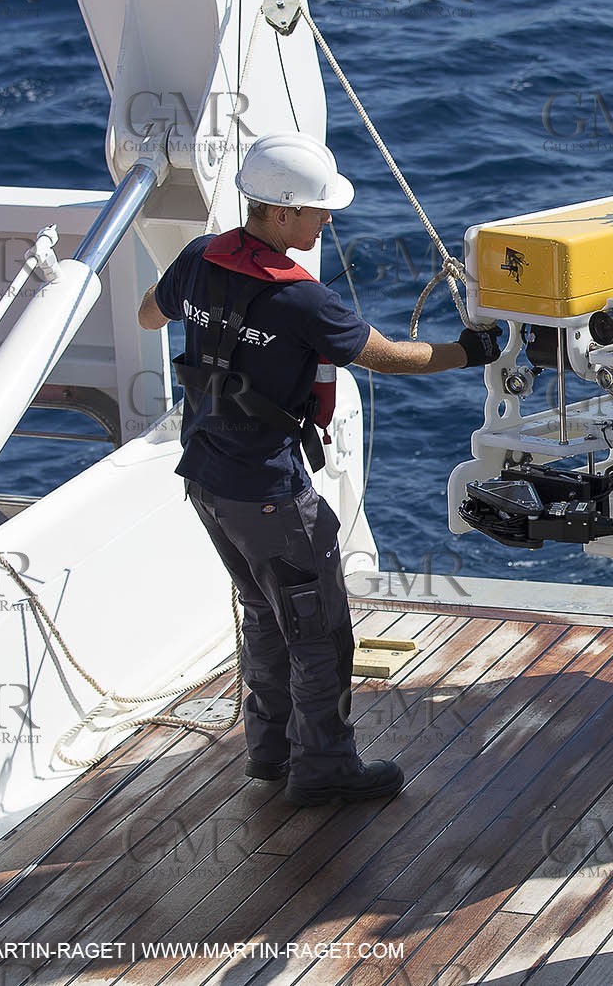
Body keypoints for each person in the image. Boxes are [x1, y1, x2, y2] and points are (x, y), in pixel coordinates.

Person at [136, 132, 501, 807]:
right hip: (269, 493)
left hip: (207, 479)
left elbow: (147, 312)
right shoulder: (302, 300)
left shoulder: (196, 259)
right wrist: (469, 351)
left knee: (266, 617)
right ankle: (325, 766)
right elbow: (387, 357)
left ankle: (269, 753)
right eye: (315, 210)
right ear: (279, 213)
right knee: (319, 632)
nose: (326, 221)